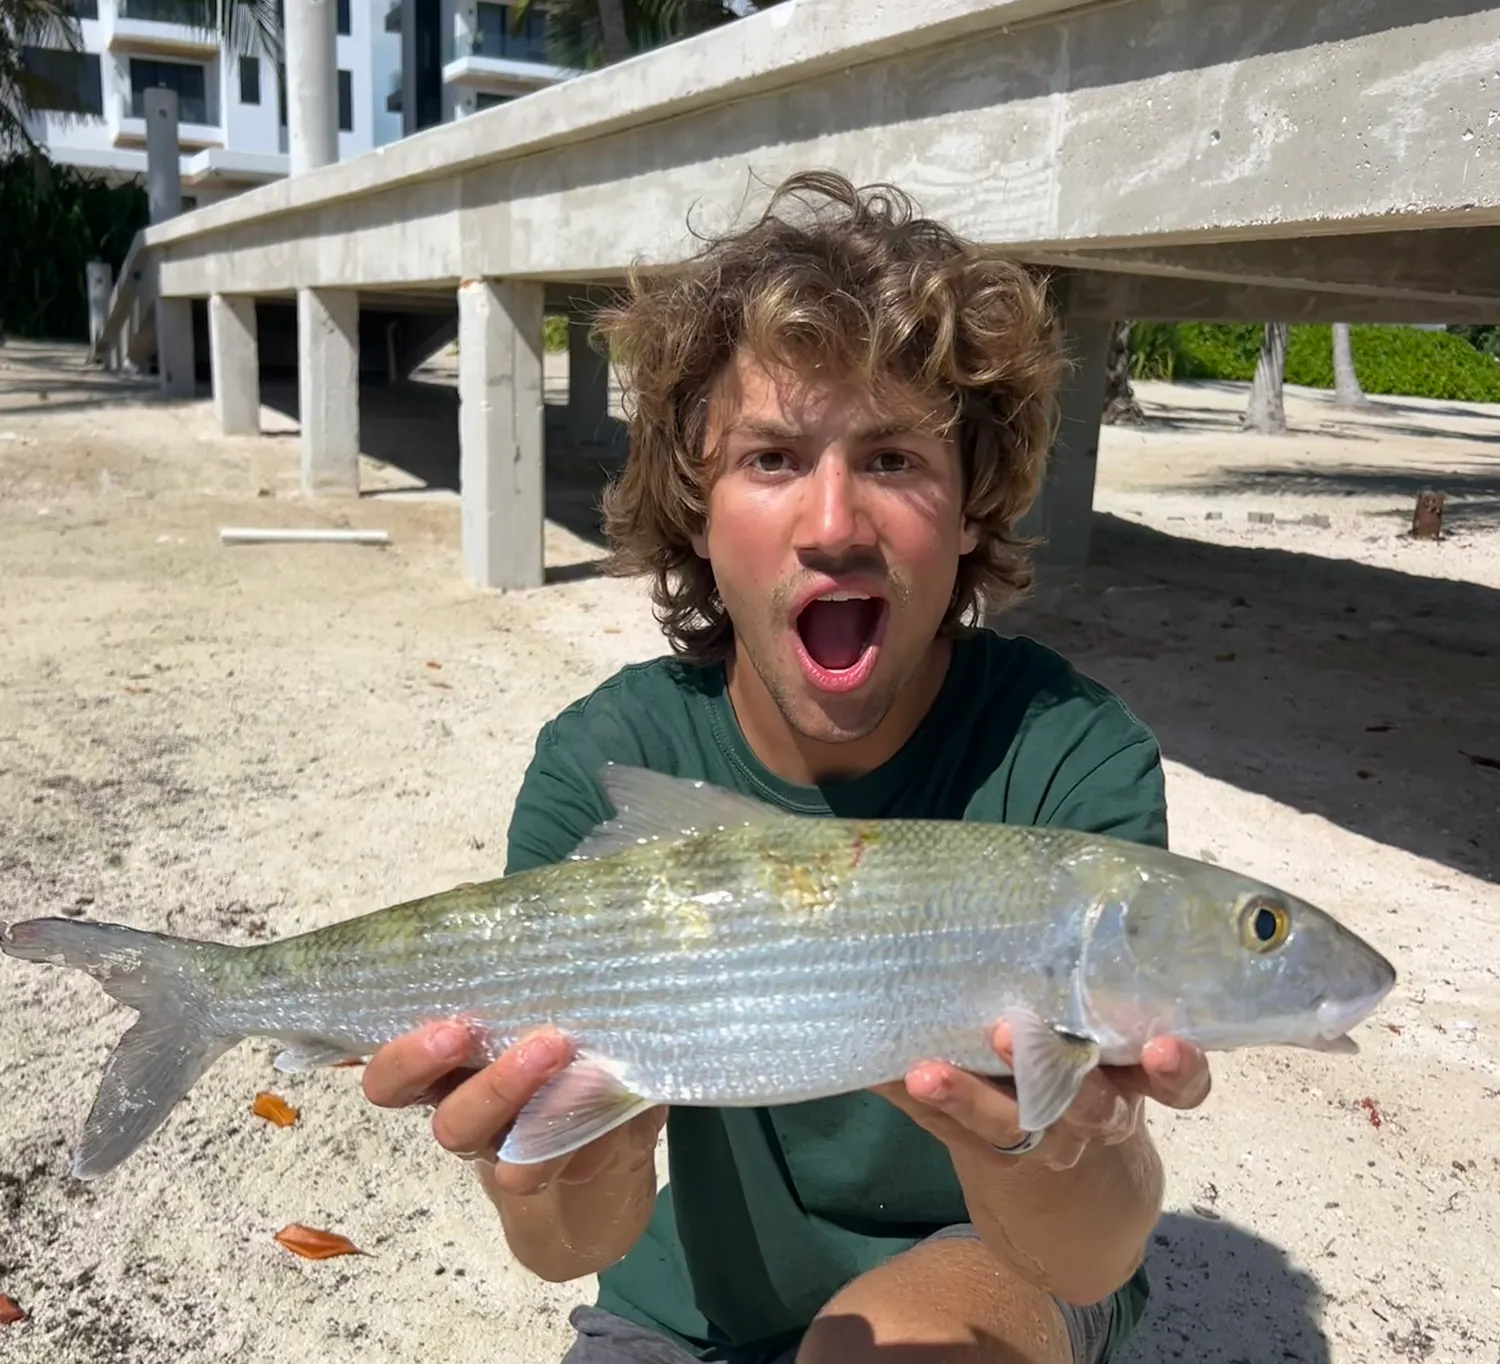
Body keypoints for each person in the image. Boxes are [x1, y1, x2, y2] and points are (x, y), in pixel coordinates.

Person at [361, 171, 1211, 1364]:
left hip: (985, 1269)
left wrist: (1053, 1144)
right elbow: (567, 1245)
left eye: (895, 458)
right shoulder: (605, 762)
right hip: (686, 1304)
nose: (832, 523)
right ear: (695, 508)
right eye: (769, 457)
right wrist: (557, 1163)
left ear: (971, 503)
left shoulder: (1066, 757)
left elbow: (1087, 1253)